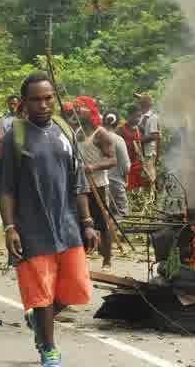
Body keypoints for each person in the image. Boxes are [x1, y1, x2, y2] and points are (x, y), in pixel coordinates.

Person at [0, 72, 99, 367]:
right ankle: (48, 348)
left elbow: (78, 180)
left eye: (48, 98)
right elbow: (4, 188)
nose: (43, 105)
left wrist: (88, 222)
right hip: (31, 227)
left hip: (67, 226)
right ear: (23, 103)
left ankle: (38, 320)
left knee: (76, 289)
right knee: (41, 292)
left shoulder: (64, 130)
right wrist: (10, 227)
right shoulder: (14, 137)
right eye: (36, 100)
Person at [64, 96, 117, 271]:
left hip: (98, 185)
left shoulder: (101, 133)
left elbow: (112, 160)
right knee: (82, 222)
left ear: (91, 111)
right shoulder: (77, 132)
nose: (77, 111)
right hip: (80, 186)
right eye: (76, 108)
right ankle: (83, 258)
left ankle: (107, 259)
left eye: (81, 108)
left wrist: (93, 167)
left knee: (102, 222)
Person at [102, 110, 131, 220]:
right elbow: (126, 166)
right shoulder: (119, 140)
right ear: (117, 123)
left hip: (100, 183)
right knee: (121, 216)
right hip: (116, 183)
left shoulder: (95, 138)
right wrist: (125, 180)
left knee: (104, 216)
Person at [136, 93, 160, 189]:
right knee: (143, 176)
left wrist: (138, 140)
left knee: (150, 176)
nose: (139, 102)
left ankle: (151, 199)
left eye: (141, 101)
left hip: (148, 153)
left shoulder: (152, 117)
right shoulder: (141, 116)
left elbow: (154, 135)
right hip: (141, 152)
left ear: (145, 103)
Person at [118, 104, 144, 192]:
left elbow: (139, 147)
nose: (138, 119)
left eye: (140, 116)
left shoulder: (138, 130)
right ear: (129, 115)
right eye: (136, 116)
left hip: (136, 167)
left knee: (137, 195)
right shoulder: (120, 130)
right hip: (125, 168)